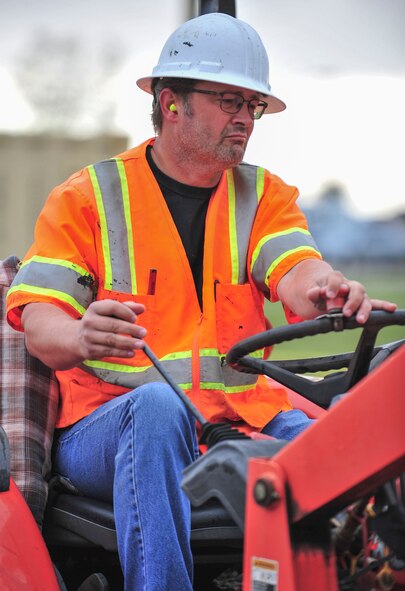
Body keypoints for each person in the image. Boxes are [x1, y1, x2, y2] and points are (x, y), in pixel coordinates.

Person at [6, 12, 396, 591]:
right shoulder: (89, 197)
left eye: (253, 106)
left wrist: (325, 290)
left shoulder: (261, 194)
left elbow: (294, 269)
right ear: (170, 103)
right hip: (107, 426)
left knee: (353, 448)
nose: (245, 119)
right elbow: (39, 320)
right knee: (159, 408)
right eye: (228, 101)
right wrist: (80, 336)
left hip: (239, 419)